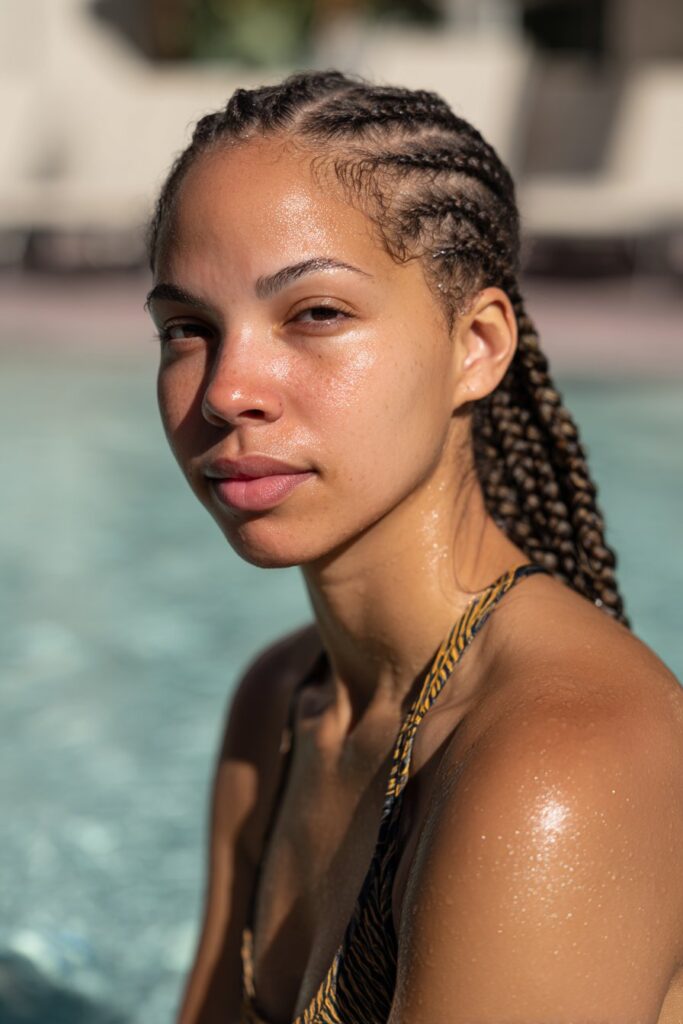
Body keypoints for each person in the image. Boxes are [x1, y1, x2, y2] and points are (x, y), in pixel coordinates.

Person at [144, 71, 683, 1024]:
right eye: (189, 329)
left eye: (314, 314)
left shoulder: (561, 757)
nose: (228, 390)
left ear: (475, 345)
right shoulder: (282, 700)